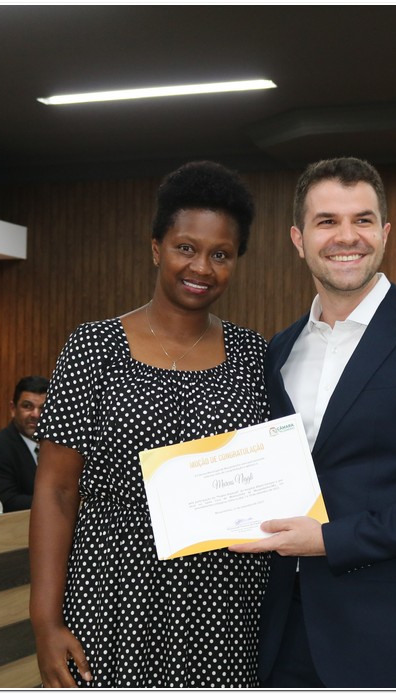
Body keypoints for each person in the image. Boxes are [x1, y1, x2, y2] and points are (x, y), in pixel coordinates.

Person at [229, 157, 396, 687]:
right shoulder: (279, 349)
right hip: (284, 631)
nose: (346, 236)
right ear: (298, 239)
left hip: (393, 634)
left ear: (385, 233)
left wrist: (331, 539)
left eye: (363, 220)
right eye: (327, 221)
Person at [28, 161, 269, 687]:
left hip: (223, 606)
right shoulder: (93, 348)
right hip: (113, 594)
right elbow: (56, 491)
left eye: (221, 254)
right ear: (156, 247)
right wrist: (44, 620)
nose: (201, 267)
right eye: (186, 247)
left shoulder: (254, 357)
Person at [0, 376, 50, 512]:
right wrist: (63, 499)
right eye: (27, 406)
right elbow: (6, 502)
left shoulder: (61, 447)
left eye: (43, 408)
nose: (36, 415)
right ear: (13, 409)